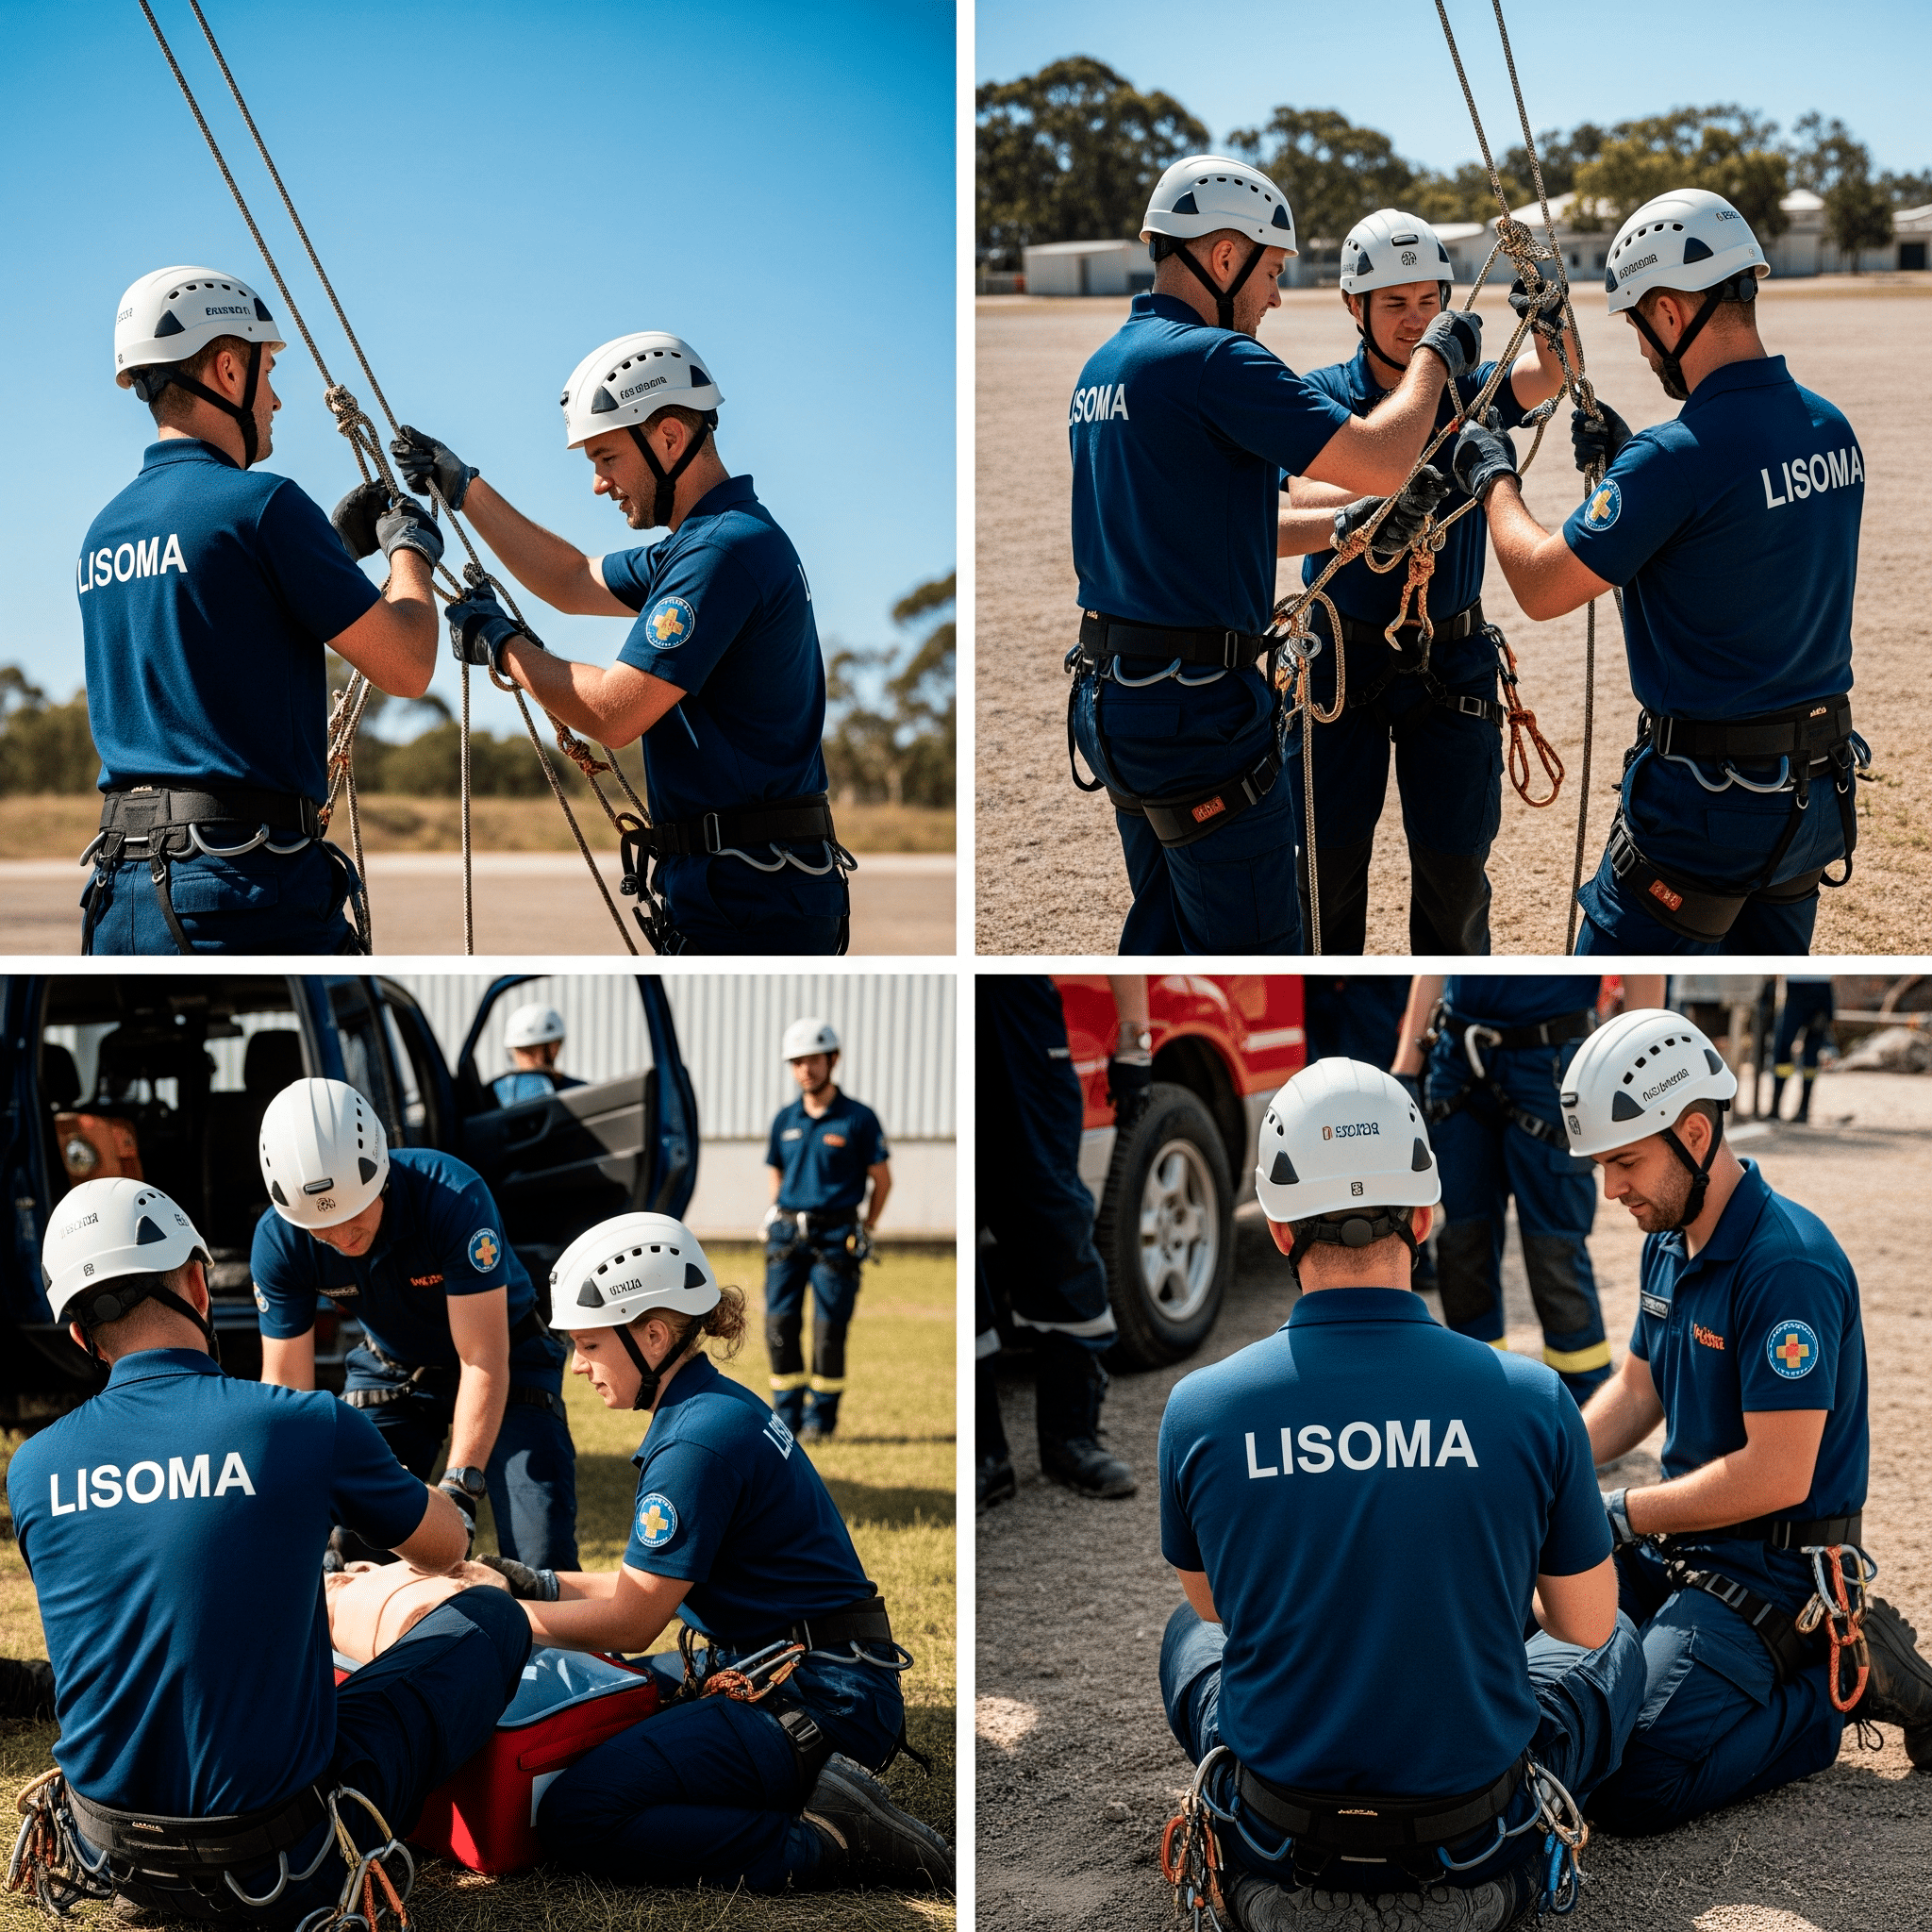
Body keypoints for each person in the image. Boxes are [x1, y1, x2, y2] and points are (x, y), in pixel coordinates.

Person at [1158, 1059, 1643, 1930]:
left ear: (1276, 1230)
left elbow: (1217, 1607)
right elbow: (1586, 1626)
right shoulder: (1534, 1399)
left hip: (1276, 1837)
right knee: (1621, 1648)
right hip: (1475, 1840)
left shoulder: (1201, 1408)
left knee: (1184, 1638)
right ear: (1424, 1216)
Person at [7, 1177, 528, 1927]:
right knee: (489, 1619)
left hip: (111, 1856)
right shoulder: (302, 1424)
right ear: (197, 1283)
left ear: (81, 1335)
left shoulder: (33, 1468)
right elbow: (446, 1546)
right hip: (284, 1869)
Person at [1066, 158, 1488, 955]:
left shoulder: (1105, 370)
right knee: (1257, 945)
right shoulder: (1215, 361)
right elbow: (1389, 453)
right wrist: (1437, 350)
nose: (1274, 297)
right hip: (1196, 711)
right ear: (1223, 258)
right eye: (1270, 271)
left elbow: (1223, 523)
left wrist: (1341, 525)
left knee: (1162, 940)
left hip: (1114, 702)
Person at [1448, 191, 1867, 955]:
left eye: (1639, 324)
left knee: (1608, 996)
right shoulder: (1830, 429)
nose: (1643, 348)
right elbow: (1735, 538)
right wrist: (1629, 469)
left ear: (1670, 313)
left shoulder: (1674, 459)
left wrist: (1492, 476)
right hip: (1812, 801)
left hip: (1707, 812)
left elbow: (1542, 586)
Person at [1559, 1011, 1932, 1834]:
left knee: (1629, 1786)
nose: (1610, 1188)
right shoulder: (1672, 1233)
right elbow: (1637, 1390)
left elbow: (1777, 1475)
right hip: (1680, 1548)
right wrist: (1555, 1469)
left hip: (1772, 1577)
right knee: (1514, 1625)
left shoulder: (1786, 1264)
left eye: (1624, 1161)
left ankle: (1834, 1676)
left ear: (1695, 1133)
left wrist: (1617, 1511)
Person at [508, 1212, 952, 1893]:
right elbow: (642, 1584)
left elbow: (633, 1621)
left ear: (653, 1335)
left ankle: (824, 1840)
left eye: (590, 1344)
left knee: (579, 1812)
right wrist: (529, 1584)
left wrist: (506, 1617)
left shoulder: (696, 1442)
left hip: (818, 1699)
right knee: (596, 1703)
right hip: (799, 1670)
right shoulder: (706, 1408)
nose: (578, 1366)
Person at [389, 335, 851, 956]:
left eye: (605, 457)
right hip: (742, 889)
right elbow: (572, 579)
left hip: (752, 899)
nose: (599, 484)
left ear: (667, 438)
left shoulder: (719, 553)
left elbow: (613, 714)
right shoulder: (710, 541)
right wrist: (464, 488)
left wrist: (503, 646)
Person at [78, 263, 442, 954]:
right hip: (237, 886)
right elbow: (407, 663)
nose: (275, 400)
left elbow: (216, 618)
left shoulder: (105, 530)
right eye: (268, 372)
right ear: (225, 369)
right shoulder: (261, 504)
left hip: (120, 897)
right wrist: (410, 554)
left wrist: (327, 553)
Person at [1275, 212, 1578, 954]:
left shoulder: (1474, 390)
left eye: (1427, 302)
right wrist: (1370, 501)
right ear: (1354, 308)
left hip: (1451, 661)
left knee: (1455, 877)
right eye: (1392, 304)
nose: (1415, 322)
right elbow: (1293, 491)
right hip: (1338, 665)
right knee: (1325, 872)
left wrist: (1550, 309)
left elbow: (1556, 373)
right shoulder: (1321, 395)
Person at [252, 1076, 579, 1571]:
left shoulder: (453, 1197)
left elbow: (482, 1358)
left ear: (379, 1174)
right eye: (321, 1226)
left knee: (540, 1554)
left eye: (353, 1212)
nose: (341, 1234)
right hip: (393, 1368)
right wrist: (292, 1506)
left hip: (506, 1359)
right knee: (356, 1543)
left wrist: (461, 1488)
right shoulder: (280, 1240)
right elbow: (285, 1390)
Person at [1394, 975, 1662, 1406]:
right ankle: (1478, 1396)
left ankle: (1584, 1406)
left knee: (1554, 1248)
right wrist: (1406, 1067)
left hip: (1552, 1067)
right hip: (1458, 1059)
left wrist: (1639, 1068)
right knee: (1464, 1241)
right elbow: (1438, 959)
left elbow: (1643, 966)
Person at [977, 975, 1144, 1505]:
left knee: (1054, 1221)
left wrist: (1134, 1041)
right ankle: (984, 1455)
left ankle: (1070, 1437)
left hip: (1018, 1014)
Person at [762, 1017, 892, 1441]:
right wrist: (775, 1211)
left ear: (832, 1060)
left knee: (827, 1333)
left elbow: (882, 1179)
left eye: (813, 1060)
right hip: (786, 1238)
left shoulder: (858, 1118)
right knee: (780, 1328)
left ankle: (821, 1421)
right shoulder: (785, 1119)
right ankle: (786, 1417)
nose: (805, 1069)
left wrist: (867, 1226)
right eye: (797, 1062)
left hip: (837, 1237)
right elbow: (776, 1172)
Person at [491, 1002, 584, 1108]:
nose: (522, 1057)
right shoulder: (498, 1093)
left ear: (554, 1047)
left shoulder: (580, 1092)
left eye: (527, 1049)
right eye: (518, 1050)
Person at [1772, 974, 1837, 1123]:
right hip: (1796, 987)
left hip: (1821, 989)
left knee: (1811, 1054)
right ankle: (1775, 1108)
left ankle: (1804, 1110)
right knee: (1782, 1049)